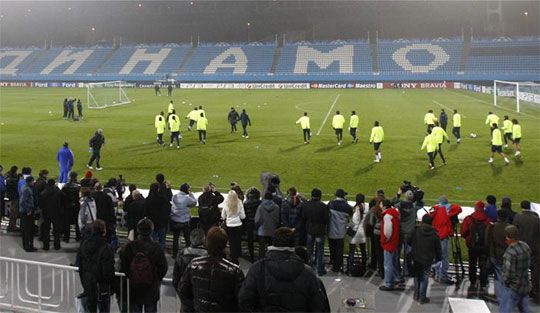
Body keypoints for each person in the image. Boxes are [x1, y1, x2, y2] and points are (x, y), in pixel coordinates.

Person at [238, 227, 329, 312]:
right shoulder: (308, 273)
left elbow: (244, 301)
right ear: (293, 244)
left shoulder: (257, 268)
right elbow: (319, 306)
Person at [179, 226, 244, 312]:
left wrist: (195, 306)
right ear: (225, 244)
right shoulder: (235, 271)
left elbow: (183, 291)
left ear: (207, 242)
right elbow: (242, 300)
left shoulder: (194, 264)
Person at [120, 219, 168, 313]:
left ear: (138, 230)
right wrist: (155, 277)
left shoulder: (130, 246)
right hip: (151, 288)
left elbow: (124, 265)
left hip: (134, 288)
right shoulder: (156, 247)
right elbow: (163, 267)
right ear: (151, 230)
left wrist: (131, 275)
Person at [77, 220, 115, 313]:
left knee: (89, 308)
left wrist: (84, 281)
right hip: (101, 285)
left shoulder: (84, 245)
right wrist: (113, 285)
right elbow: (108, 270)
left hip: (87, 283)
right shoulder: (106, 247)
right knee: (103, 308)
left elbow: (80, 265)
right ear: (103, 231)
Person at [408, 214, 441, 304]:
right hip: (427, 259)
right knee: (425, 277)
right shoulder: (434, 233)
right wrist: (439, 259)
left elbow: (408, 240)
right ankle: (422, 297)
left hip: (416, 257)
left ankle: (416, 294)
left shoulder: (416, 230)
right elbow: (438, 248)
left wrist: (414, 246)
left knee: (417, 276)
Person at [460, 200, 491, 297]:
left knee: (472, 264)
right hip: (484, 247)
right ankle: (483, 283)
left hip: (472, 246)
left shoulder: (469, 218)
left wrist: (469, 239)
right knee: (483, 265)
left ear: (475, 208)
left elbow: (463, 232)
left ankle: (472, 281)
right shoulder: (487, 219)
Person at [296, 188, 329, 276]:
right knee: (320, 250)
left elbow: (303, 218)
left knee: (309, 250)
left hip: (310, 230)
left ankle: (308, 268)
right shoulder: (323, 206)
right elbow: (326, 220)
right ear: (320, 196)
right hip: (320, 231)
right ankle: (320, 270)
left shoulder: (306, 205)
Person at [429, 195, 462, 284]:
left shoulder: (435, 209)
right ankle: (442, 276)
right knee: (443, 257)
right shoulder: (449, 209)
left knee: (436, 256)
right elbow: (459, 208)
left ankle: (436, 274)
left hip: (435, 236)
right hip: (444, 236)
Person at [513, 200, 540, 304]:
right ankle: (535, 291)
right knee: (535, 271)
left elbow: (514, 232)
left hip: (521, 248)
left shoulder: (518, 218)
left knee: (520, 269)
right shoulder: (537, 219)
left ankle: (520, 290)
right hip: (535, 249)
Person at [500, 225, 532, 313]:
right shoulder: (525, 246)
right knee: (525, 309)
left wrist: (505, 282)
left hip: (513, 288)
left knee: (505, 310)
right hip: (524, 284)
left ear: (509, 237)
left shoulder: (510, 252)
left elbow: (508, 272)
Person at [485, 209, 509, 304]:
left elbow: (487, 242)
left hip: (495, 255)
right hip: (508, 255)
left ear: (498, 216)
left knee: (498, 276)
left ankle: (500, 297)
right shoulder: (510, 228)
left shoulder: (492, 227)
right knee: (506, 276)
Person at [379, 200, 403, 291]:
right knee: (393, 262)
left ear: (384, 206)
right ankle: (397, 278)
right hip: (395, 241)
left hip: (389, 243)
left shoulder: (387, 216)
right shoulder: (394, 213)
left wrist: (386, 240)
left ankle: (389, 283)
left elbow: (388, 231)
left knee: (388, 264)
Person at [394, 189, 419, 277]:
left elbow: (394, 203)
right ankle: (406, 270)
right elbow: (421, 203)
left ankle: (397, 270)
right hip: (410, 233)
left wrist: (398, 194)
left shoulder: (401, 204)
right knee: (408, 253)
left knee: (397, 252)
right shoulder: (414, 206)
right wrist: (417, 191)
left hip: (401, 231)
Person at [327, 189, 353, 272]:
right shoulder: (348, 207)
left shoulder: (330, 204)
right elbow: (350, 217)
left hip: (331, 230)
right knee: (339, 250)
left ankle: (333, 263)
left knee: (332, 249)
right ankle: (338, 266)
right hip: (341, 232)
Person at [171, 183, 197, 258]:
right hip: (184, 221)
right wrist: (191, 194)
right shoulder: (187, 198)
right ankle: (187, 254)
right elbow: (194, 203)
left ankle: (174, 254)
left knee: (175, 238)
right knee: (187, 239)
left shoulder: (174, 196)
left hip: (175, 220)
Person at [221, 190, 246, 264]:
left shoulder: (226, 204)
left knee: (232, 241)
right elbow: (243, 216)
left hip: (229, 225)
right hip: (238, 224)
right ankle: (238, 254)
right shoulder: (239, 203)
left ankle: (233, 256)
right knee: (238, 240)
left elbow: (223, 216)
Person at [145, 183, 171, 250]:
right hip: (161, 224)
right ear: (158, 189)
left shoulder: (147, 199)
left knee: (151, 242)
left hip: (151, 224)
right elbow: (168, 210)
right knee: (161, 242)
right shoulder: (163, 199)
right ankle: (159, 257)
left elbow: (145, 212)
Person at [255, 192, 281, 258]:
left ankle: (261, 262)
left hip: (262, 230)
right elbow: (277, 220)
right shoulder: (276, 207)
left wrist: (257, 227)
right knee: (271, 249)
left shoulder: (260, 207)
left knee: (261, 250)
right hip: (272, 230)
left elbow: (257, 220)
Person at [40, 179, 64, 250]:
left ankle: (46, 246)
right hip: (56, 213)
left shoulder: (43, 192)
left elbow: (41, 204)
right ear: (54, 184)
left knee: (46, 230)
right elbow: (63, 201)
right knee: (56, 230)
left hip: (46, 213)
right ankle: (57, 246)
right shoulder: (58, 192)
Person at [347, 193, 368, 275]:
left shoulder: (357, 208)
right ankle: (364, 267)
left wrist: (349, 226)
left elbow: (355, 222)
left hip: (356, 232)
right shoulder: (366, 206)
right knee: (363, 251)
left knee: (352, 251)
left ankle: (350, 268)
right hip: (363, 232)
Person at [243, 187, 261, 262]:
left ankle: (252, 257)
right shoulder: (260, 202)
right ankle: (260, 257)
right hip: (258, 224)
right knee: (260, 241)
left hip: (249, 224)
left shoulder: (246, 203)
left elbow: (244, 215)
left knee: (250, 241)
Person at [62, 172, 81, 242]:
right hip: (76, 206)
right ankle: (78, 237)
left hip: (67, 207)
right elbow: (79, 197)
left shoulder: (65, 186)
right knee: (77, 223)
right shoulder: (78, 187)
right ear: (75, 177)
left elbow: (62, 197)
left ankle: (66, 238)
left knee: (67, 223)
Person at [19, 176, 37, 252]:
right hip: (27, 213)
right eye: (33, 181)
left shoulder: (24, 187)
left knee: (26, 230)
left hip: (25, 212)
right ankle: (28, 246)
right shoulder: (27, 189)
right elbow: (22, 202)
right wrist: (28, 210)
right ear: (30, 182)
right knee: (28, 230)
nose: (33, 182)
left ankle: (27, 245)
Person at [5, 165, 20, 232]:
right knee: (14, 212)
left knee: (13, 212)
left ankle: (12, 226)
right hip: (14, 197)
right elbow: (15, 186)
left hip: (11, 196)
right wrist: (18, 178)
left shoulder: (8, 176)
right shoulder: (13, 179)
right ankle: (11, 227)